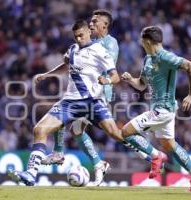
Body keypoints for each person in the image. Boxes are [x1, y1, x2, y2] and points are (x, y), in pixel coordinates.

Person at [41, 9, 167, 182]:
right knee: (77, 128)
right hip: (86, 96)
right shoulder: (87, 43)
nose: (91, 24)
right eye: (90, 22)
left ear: (105, 26)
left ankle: (153, 154)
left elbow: (107, 68)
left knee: (116, 132)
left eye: (95, 22)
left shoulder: (109, 43)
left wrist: (80, 59)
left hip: (99, 95)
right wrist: (72, 56)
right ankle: (99, 163)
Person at [121, 26, 191, 192]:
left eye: (141, 41)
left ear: (147, 41)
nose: (141, 43)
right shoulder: (148, 59)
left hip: (163, 110)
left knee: (126, 132)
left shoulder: (165, 57)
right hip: (161, 110)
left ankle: (156, 155)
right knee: (169, 143)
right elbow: (141, 85)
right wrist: (131, 80)